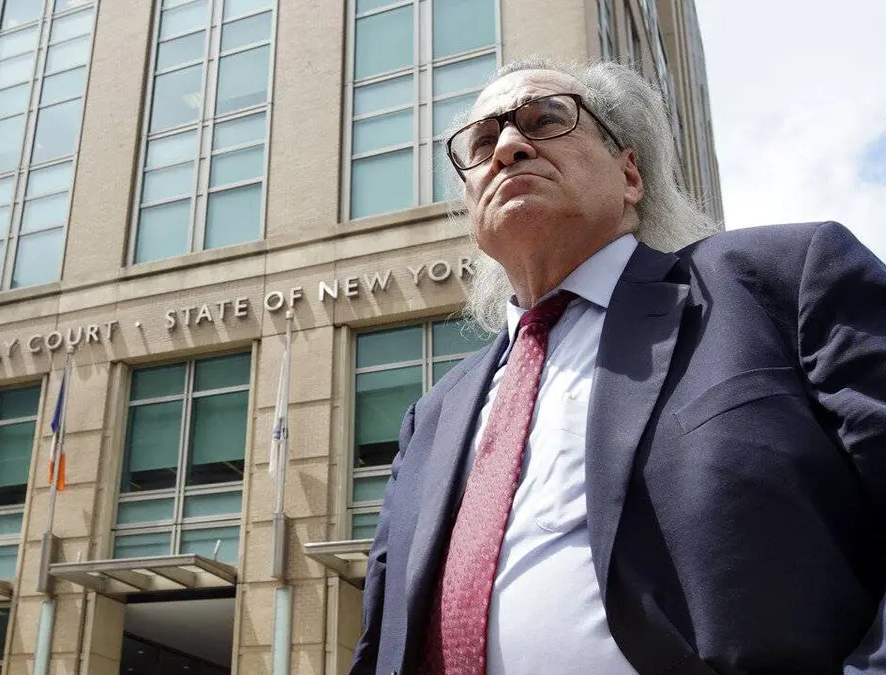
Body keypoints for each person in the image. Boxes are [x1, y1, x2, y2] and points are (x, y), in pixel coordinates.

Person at [350, 57, 886, 675]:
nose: (508, 147)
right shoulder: (431, 415)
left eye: (545, 120)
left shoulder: (778, 282)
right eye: (482, 141)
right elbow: (383, 635)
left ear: (630, 173)